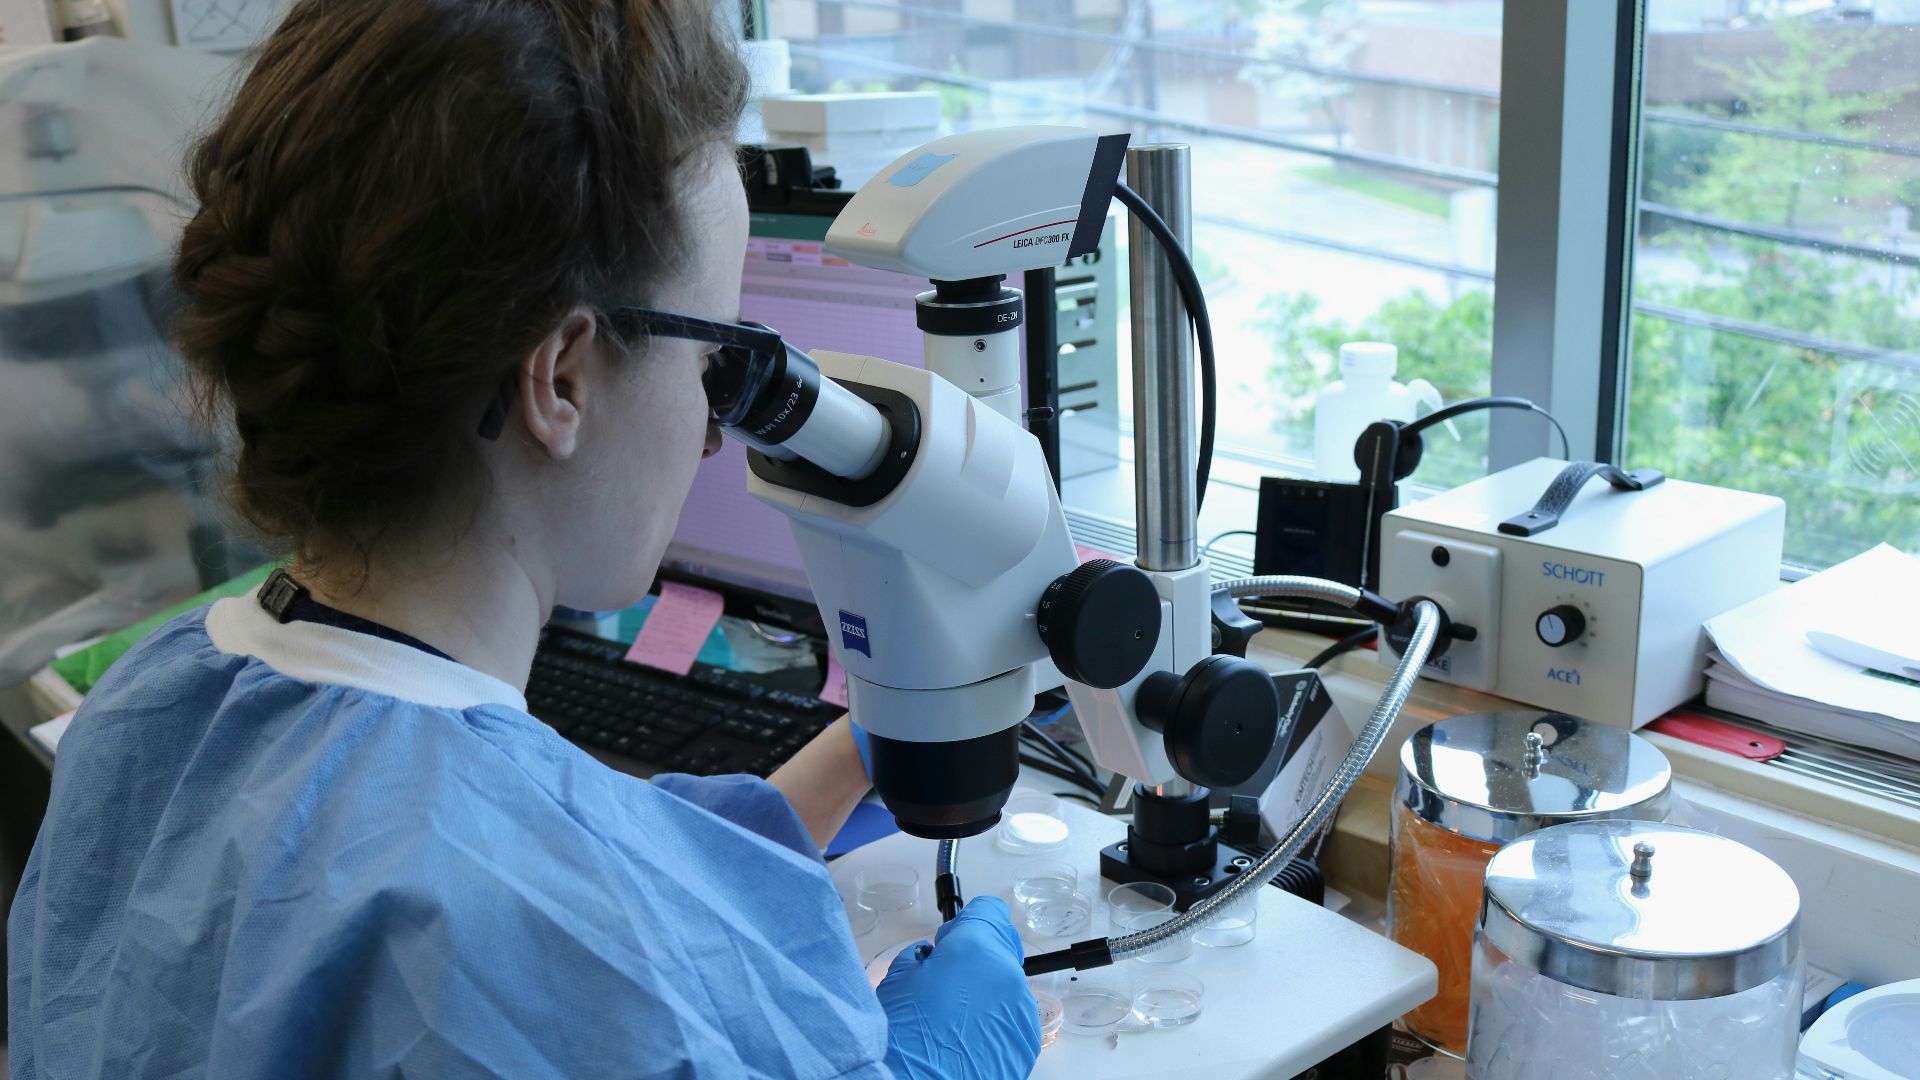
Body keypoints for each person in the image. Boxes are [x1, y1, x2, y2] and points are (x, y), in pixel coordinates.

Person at [4, 2, 1042, 1077]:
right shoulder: (542, 933)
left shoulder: (152, 710)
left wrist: (823, 777)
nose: (710, 431)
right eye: (716, 359)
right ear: (561, 378)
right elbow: (544, 927)